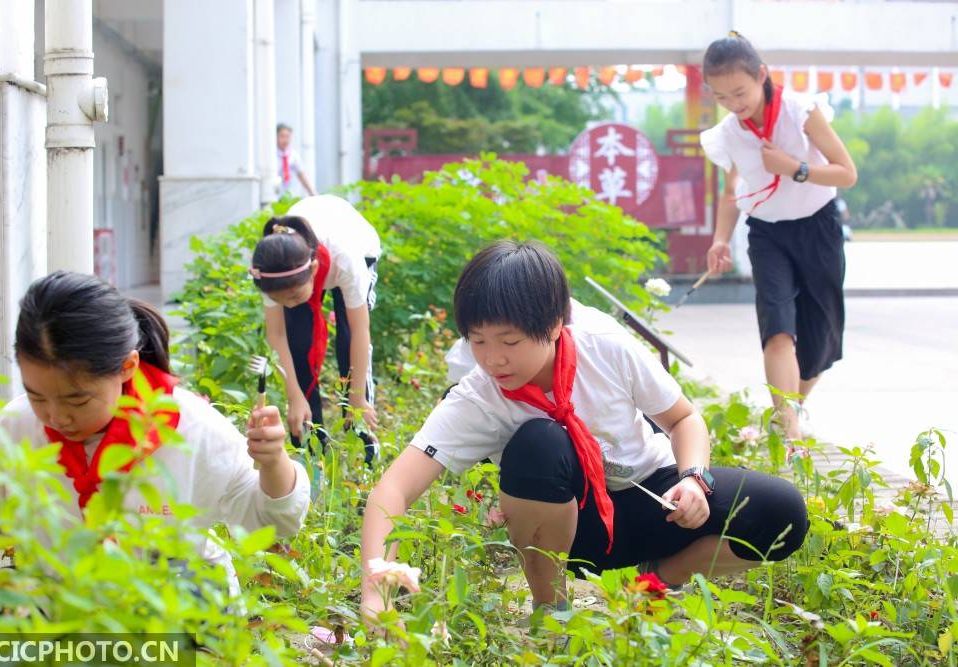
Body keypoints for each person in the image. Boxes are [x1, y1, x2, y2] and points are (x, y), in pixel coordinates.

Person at [359, 241, 808, 618]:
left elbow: (683, 419)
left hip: (653, 497)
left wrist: (693, 479)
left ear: (555, 326)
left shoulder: (604, 345)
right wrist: (374, 591)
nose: (493, 359)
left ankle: (655, 581)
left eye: (510, 342)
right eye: (478, 341)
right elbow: (392, 491)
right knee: (539, 443)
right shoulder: (479, 396)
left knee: (781, 510)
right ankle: (551, 611)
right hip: (570, 526)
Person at [0, 272, 310, 595]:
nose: (55, 416)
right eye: (36, 395)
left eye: (76, 399)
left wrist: (274, 461)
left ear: (127, 368)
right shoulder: (18, 423)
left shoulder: (189, 428)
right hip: (54, 595)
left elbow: (270, 522)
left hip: (170, 604)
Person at [699, 32, 857, 439]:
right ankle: (790, 436)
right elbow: (733, 190)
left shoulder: (800, 111)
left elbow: (847, 172)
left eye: (739, 92)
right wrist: (719, 240)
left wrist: (794, 168)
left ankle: (790, 412)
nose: (734, 105)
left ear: (762, 75)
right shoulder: (729, 133)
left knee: (821, 344)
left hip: (818, 226)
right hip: (767, 234)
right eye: (721, 98)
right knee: (778, 327)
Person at [250, 195, 381, 463]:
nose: (285, 304)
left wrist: (356, 398)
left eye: (294, 297)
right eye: (278, 300)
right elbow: (277, 335)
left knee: (347, 341)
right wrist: (294, 395)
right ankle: (312, 447)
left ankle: (365, 444)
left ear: (313, 269)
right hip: (300, 266)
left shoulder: (347, 259)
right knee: (300, 344)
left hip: (359, 247)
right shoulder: (272, 270)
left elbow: (360, 331)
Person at [277, 123, 317, 197]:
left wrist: (312, 193)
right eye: (282, 136)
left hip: (288, 193)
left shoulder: (293, 154)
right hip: (274, 193)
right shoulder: (271, 154)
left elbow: (301, 175)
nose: (285, 140)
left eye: (287, 137)